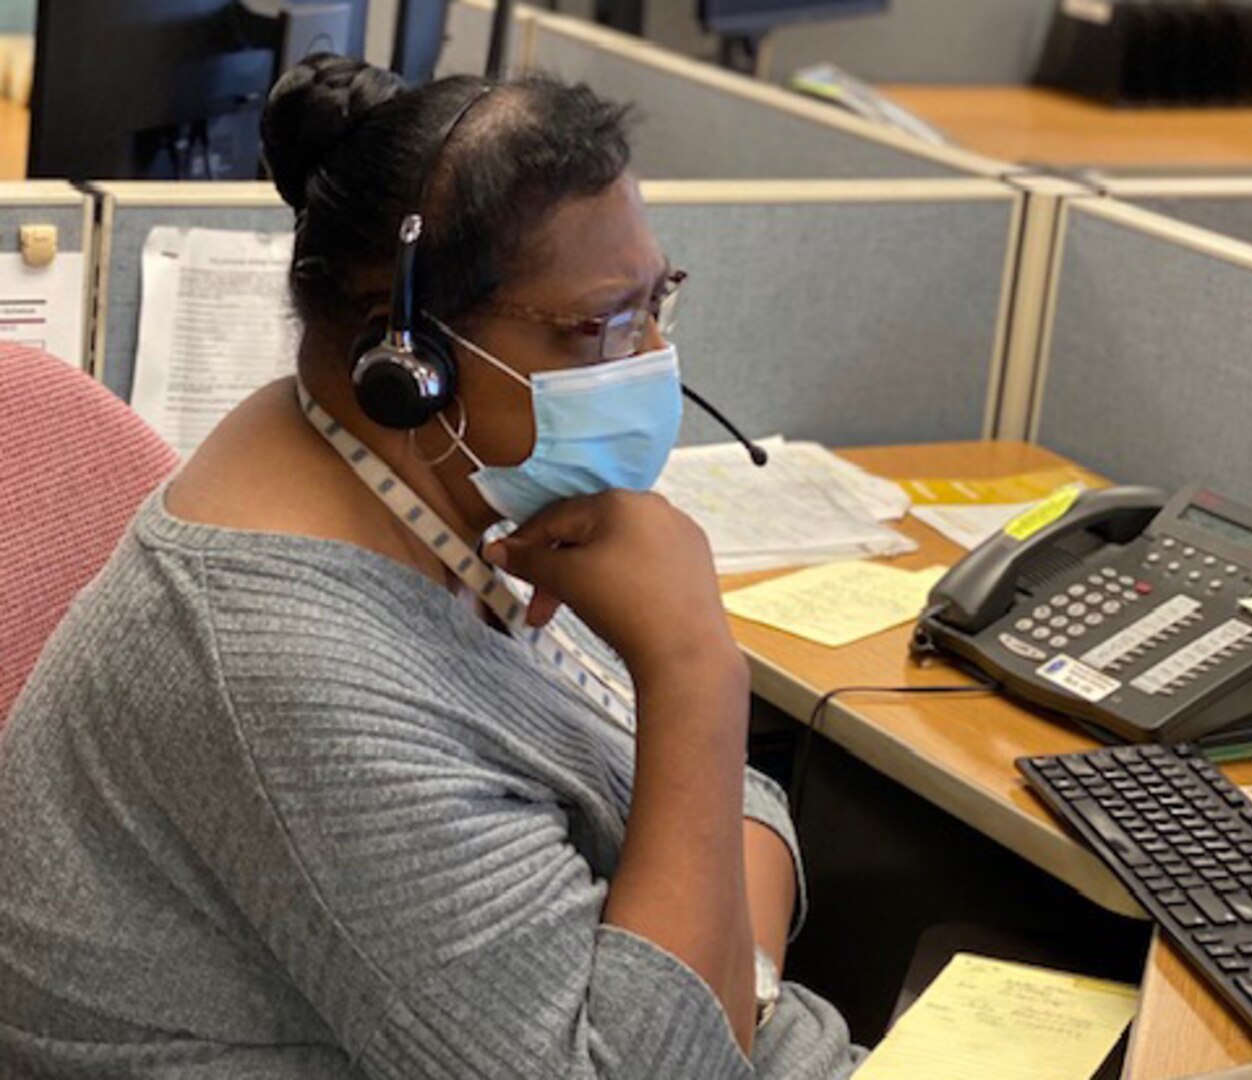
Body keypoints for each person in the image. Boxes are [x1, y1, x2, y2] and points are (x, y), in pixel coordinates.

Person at [0, 57, 863, 1078]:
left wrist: (733, 988)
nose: (645, 360)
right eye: (600, 325)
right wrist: (694, 672)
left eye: (655, 302)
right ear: (407, 361)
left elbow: (732, 808)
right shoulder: (289, 665)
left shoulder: (454, 491)